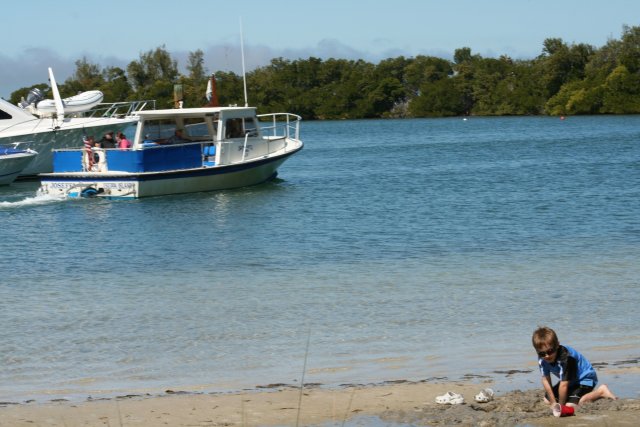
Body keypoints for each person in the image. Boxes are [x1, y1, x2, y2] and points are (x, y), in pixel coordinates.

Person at [532, 326, 616, 408]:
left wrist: (560, 407)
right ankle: (572, 395)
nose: (546, 356)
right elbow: (545, 379)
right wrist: (553, 402)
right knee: (547, 401)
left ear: (557, 345)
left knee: (571, 405)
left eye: (550, 351)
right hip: (570, 381)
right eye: (542, 353)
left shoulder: (566, 358)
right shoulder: (542, 359)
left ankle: (601, 391)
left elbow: (563, 385)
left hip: (585, 379)